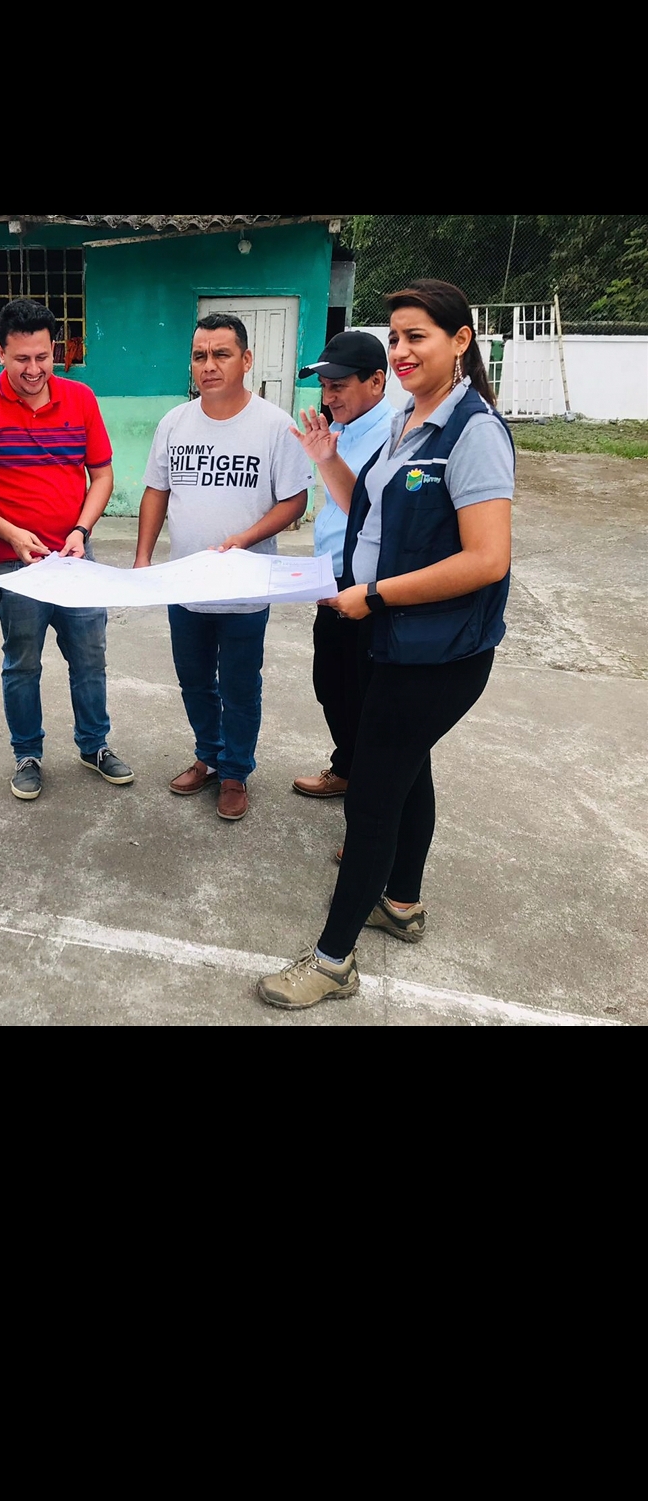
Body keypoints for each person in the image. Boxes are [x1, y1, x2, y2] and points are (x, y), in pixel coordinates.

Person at [257, 283, 516, 1013]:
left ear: (460, 341)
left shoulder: (473, 432)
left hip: (437, 648)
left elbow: (487, 559)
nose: (401, 350)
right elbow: (367, 516)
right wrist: (326, 460)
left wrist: (372, 596)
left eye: (417, 337)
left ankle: (333, 961)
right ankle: (400, 902)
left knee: (373, 796)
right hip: (393, 632)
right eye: (395, 337)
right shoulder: (409, 418)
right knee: (409, 768)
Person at [0, 299, 135, 803]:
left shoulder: (81, 399)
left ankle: (94, 745)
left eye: (43, 357)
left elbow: (102, 476)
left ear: (56, 351)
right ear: (0, 352)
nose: (34, 370)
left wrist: (81, 529)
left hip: (75, 558)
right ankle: (27, 754)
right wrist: (11, 533)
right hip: (14, 566)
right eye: (21, 359)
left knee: (90, 657)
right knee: (23, 663)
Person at [135, 314, 310, 823]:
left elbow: (295, 501)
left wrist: (246, 539)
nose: (208, 365)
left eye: (221, 354)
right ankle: (208, 757)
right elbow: (156, 492)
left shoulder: (274, 425)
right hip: (185, 584)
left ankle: (235, 772)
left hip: (245, 586)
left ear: (246, 360)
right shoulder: (175, 423)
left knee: (239, 686)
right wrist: (144, 557)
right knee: (193, 680)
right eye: (199, 356)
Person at [289, 332, 393, 803]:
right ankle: (348, 768)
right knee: (331, 684)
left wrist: (327, 460)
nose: (328, 397)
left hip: (368, 585)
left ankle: (370, 795)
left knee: (365, 694)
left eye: (339, 386)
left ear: (377, 381)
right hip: (330, 577)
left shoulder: (393, 436)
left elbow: (364, 513)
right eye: (324, 387)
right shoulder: (343, 430)